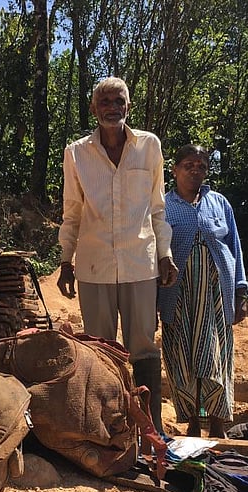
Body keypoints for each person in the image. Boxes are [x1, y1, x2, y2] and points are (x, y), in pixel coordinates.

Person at [56, 76, 178, 435]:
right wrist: (66, 260)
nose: (112, 108)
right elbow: (72, 210)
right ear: (93, 109)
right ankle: (105, 428)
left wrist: (165, 254)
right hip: (94, 265)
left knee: (143, 345)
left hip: (141, 262)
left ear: (129, 105)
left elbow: (157, 208)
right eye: (105, 102)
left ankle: (151, 430)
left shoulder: (149, 146)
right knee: (98, 346)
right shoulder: (76, 152)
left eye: (118, 101)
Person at [157, 144, 248, 438]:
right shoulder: (162, 206)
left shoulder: (219, 203)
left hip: (216, 296)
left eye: (201, 166)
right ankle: (195, 421)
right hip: (178, 296)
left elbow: (235, 248)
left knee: (216, 356)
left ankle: (218, 422)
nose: (195, 171)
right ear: (174, 170)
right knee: (183, 358)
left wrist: (240, 292)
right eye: (188, 165)